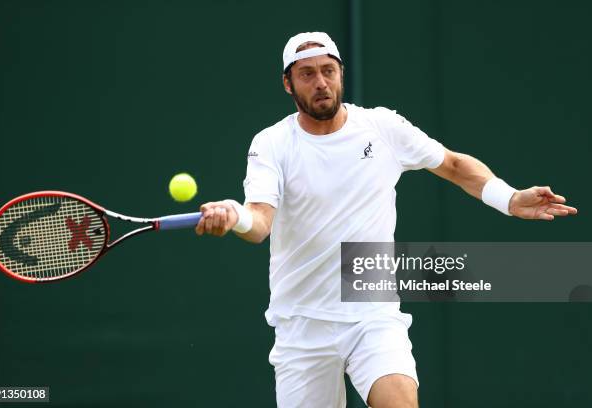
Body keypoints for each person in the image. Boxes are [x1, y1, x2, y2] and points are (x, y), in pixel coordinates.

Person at [194, 32, 577, 408]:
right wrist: (235, 216)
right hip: (301, 326)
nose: (321, 82)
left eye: (328, 70)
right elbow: (259, 222)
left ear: (341, 73)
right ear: (288, 84)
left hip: (371, 314)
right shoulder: (271, 143)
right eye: (307, 74)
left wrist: (510, 199)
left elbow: (454, 165)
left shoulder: (381, 127)